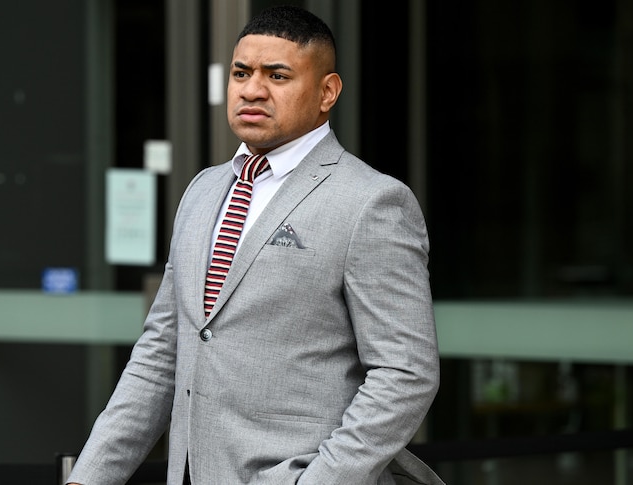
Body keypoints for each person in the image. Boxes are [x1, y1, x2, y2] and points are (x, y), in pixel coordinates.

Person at [67, 5, 444, 485]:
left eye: (277, 75)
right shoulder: (202, 191)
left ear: (328, 92)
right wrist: (89, 477)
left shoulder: (372, 203)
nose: (252, 89)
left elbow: (405, 374)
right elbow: (162, 353)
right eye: (241, 72)